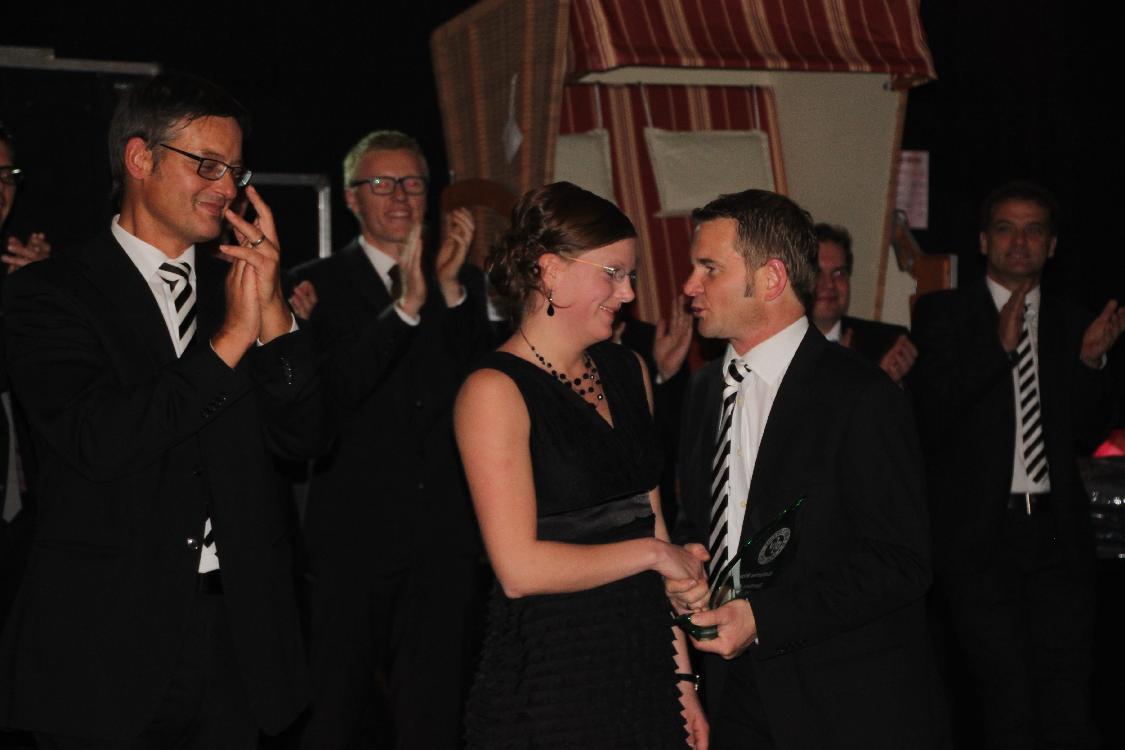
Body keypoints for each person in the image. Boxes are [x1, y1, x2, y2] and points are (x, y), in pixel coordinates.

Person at [0, 72, 327, 748]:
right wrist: (231, 340)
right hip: (104, 646)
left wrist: (273, 317)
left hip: (240, 639)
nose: (226, 187)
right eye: (206, 164)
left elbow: (306, 438)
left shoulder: (242, 283)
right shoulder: (50, 293)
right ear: (139, 158)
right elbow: (100, 439)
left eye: (235, 170)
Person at [667, 189, 945, 749]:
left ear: (771, 279)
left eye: (710, 268)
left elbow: (901, 562)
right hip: (733, 692)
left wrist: (763, 617)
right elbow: (700, 520)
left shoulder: (861, 395)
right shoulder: (703, 389)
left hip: (842, 699)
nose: (690, 285)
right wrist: (687, 567)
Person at [455, 181, 708, 749]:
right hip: (553, 674)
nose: (628, 293)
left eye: (631, 276)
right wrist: (654, 555)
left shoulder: (628, 370)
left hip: (643, 663)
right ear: (550, 271)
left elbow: (652, 522)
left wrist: (684, 682)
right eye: (613, 273)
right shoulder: (493, 390)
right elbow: (518, 569)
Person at [292, 130, 488, 749]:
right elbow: (330, 396)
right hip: (350, 540)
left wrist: (448, 293)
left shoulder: (462, 282)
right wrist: (404, 309)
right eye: (382, 183)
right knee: (333, 713)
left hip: (441, 541)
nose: (400, 197)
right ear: (352, 198)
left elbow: (481, 394)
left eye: (412, 183)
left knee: (433, 716)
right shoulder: (311, 286)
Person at [912, 181, 1123, 748]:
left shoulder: (1072, 322)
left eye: (1034, 230)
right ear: (984, 241)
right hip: (982, 541)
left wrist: (1091, 363)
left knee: (1068, 706)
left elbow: (1086, 434)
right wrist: (997, 351)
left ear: (1052, 245)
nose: (1020, 242)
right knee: (1008, 709)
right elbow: (931, 418)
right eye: (1006, 228)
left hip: (1057, 536)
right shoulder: (943, 314)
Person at [811, 222, 916, 384]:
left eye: (838, 273)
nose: (829, 284)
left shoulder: (889, 347)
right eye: (818, 273)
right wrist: (876, 383)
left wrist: (889, 387)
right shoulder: (783, 347)